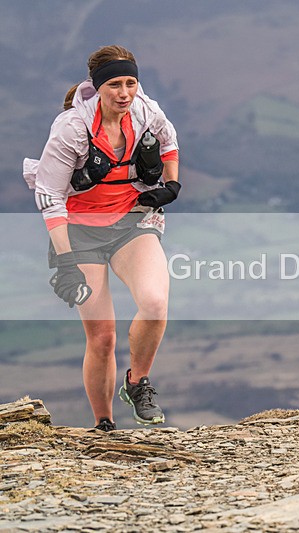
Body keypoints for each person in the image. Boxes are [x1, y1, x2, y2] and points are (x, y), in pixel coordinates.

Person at [22, 45, 180, 431]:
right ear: (97, 87)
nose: (124, 93)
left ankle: (137, 382)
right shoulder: (72, 128)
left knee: (155, 303)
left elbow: (169, 141)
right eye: (114, 85)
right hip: (79, 232)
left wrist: (172, 185)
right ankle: (104, 423)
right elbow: (50, 196)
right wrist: (65, 262)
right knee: (103, 336)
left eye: (130, 83)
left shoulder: (146, 111)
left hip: (132, 222)